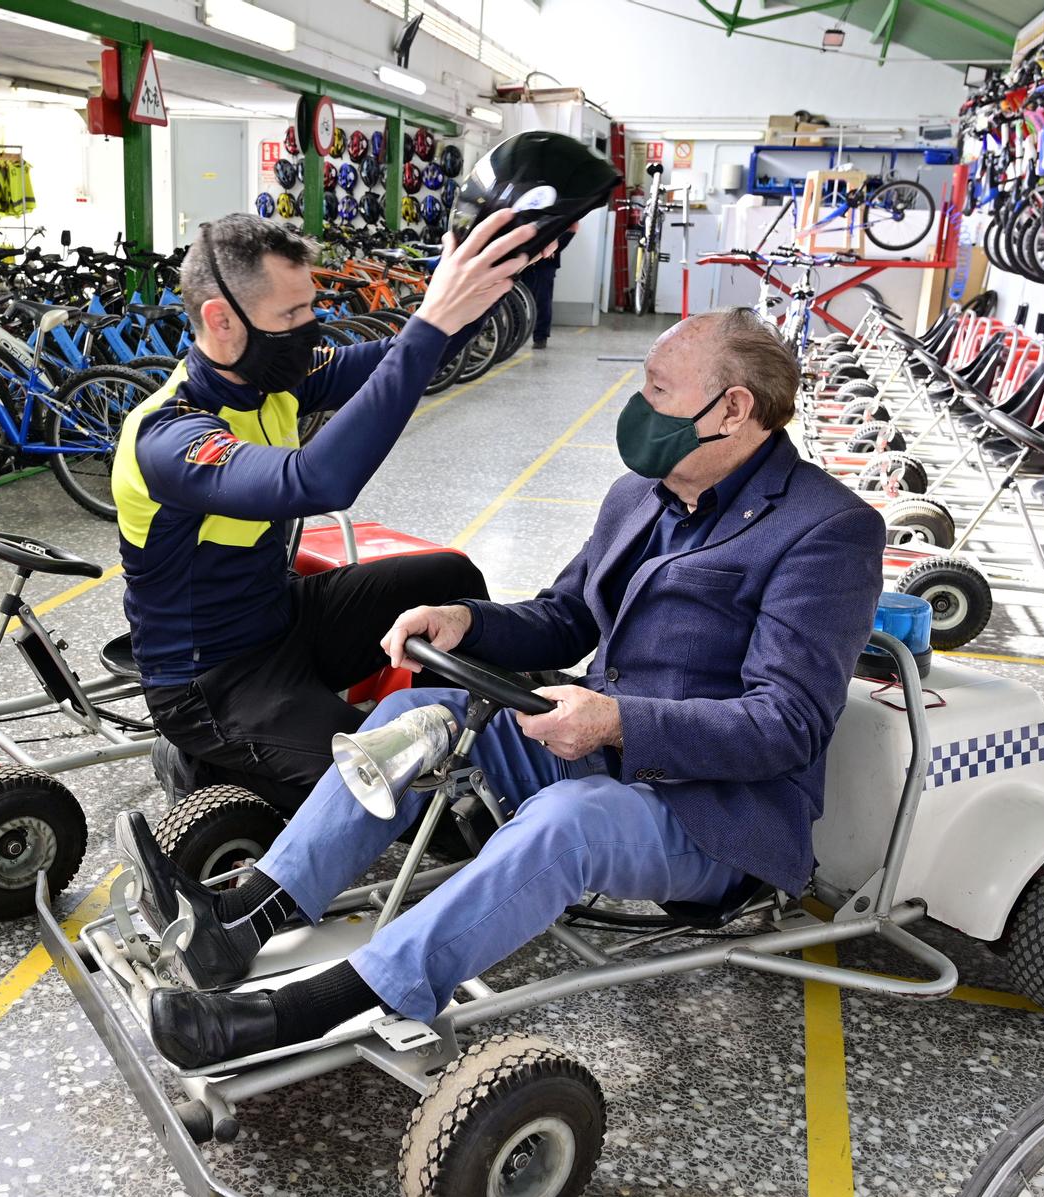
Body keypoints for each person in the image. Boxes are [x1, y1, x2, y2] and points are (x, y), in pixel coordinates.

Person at [118, 308, 889, 1069]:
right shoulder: (642, 493)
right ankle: (249, 915)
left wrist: (619, 720)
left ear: (734, 408)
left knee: (566, 821)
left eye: (657, 390)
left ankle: (304, 1009)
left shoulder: (826, 529)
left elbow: (788, 723)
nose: (638, 407)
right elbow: (564, 618)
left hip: (716, 810)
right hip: (599, 746)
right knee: (417, 714)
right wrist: (465, 620)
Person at [112, 211, 549, 812]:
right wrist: (431, 319)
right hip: (211, 681)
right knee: (407, 793)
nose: (309, 331)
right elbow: (317, 480)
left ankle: (467, 720)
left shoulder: (271, 377)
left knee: (449, 579)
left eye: (309, 310)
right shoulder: (168, 437)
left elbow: (405, 359)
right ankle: (212, 762)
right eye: (290, 317)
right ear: (221, 320)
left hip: (284, 620)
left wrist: (480, 285)